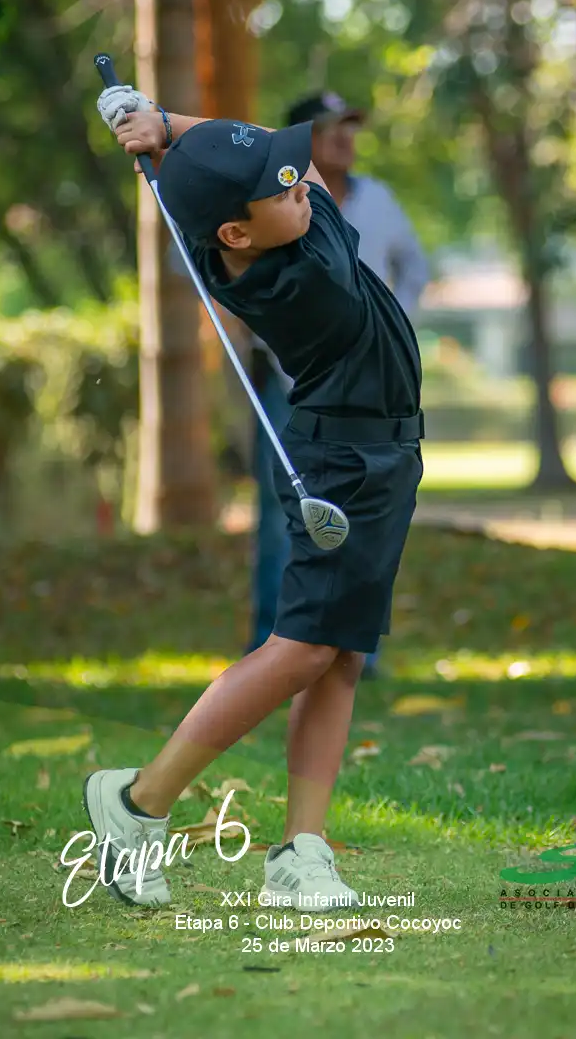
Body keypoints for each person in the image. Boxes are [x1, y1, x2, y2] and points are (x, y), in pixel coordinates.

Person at [87, 82, 424, 909]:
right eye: (278, 186)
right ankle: (138, 802)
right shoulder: (312, 269)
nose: (297, 183)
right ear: (237, 232)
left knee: (340, 652)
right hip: (345, 461)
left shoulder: (241, 242)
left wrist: (162, 127)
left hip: (370, 451)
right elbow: (289, 168)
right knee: (303, 649)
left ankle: (301, 850)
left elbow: (262, 157)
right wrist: (171, 130)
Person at [246, 92, 429, 679]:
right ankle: (273, 644)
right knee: (285, 516)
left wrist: (392, 327)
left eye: (349, 126)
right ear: (299, 140)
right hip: (286, 385)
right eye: (329, 128)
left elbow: (415, 268)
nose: (345, 138)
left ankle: (355, 650)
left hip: (365, 390)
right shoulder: (271, 201)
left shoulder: (379, 199)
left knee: (363, 515)